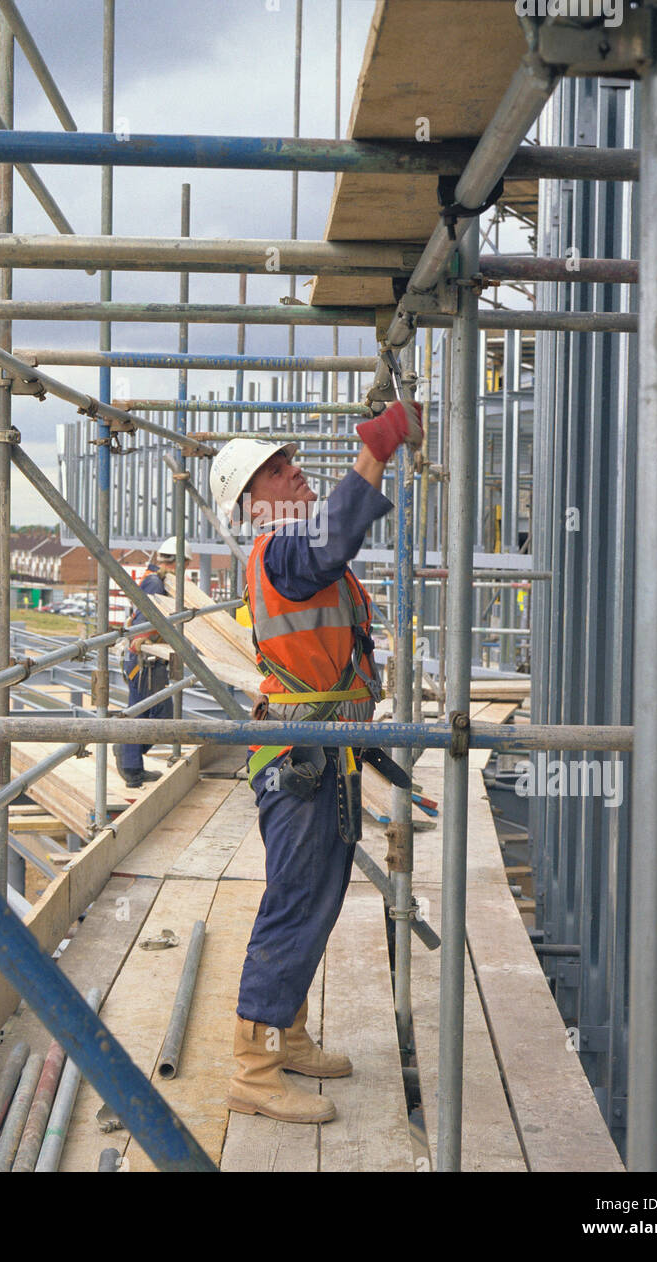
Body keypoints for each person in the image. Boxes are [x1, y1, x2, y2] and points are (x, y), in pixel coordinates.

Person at [209, 399, 423, 1123]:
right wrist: (378, 447)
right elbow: (332, 542)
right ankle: (254, 1067)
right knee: (296, 902)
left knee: (315, 901)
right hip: (301, 758)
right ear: (252, 504)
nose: (293, 471)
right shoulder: (282, 552)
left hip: (321, 753)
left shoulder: (291, 554)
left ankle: (287, 1034)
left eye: (289, 460)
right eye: (275, 469)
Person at [114, 537, 178, 789]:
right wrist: (143, 638)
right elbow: (145, 616)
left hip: (149, 659)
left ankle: (130, 756)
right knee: (144, 712)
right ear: (177, 562)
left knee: (156, 711)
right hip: (143, 659)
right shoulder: (154, 582)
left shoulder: (158, 580)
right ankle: (130, 765)